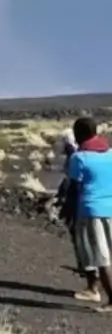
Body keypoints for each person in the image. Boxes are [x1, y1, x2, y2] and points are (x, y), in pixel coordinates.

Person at [65, 116, 112, 312]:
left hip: (90, 209)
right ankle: (94, 289)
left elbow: (73, 183)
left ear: (79, 135)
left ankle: (107, 298)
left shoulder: (79, 157)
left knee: (99, 256)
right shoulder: (110, 153)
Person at [55, 128, 102, 302]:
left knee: (86, 244)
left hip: (81, 206)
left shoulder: (76, 156)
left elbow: (73, 182)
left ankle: (93, 284)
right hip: (96, 204)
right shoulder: (97, 153)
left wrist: (62, 199)